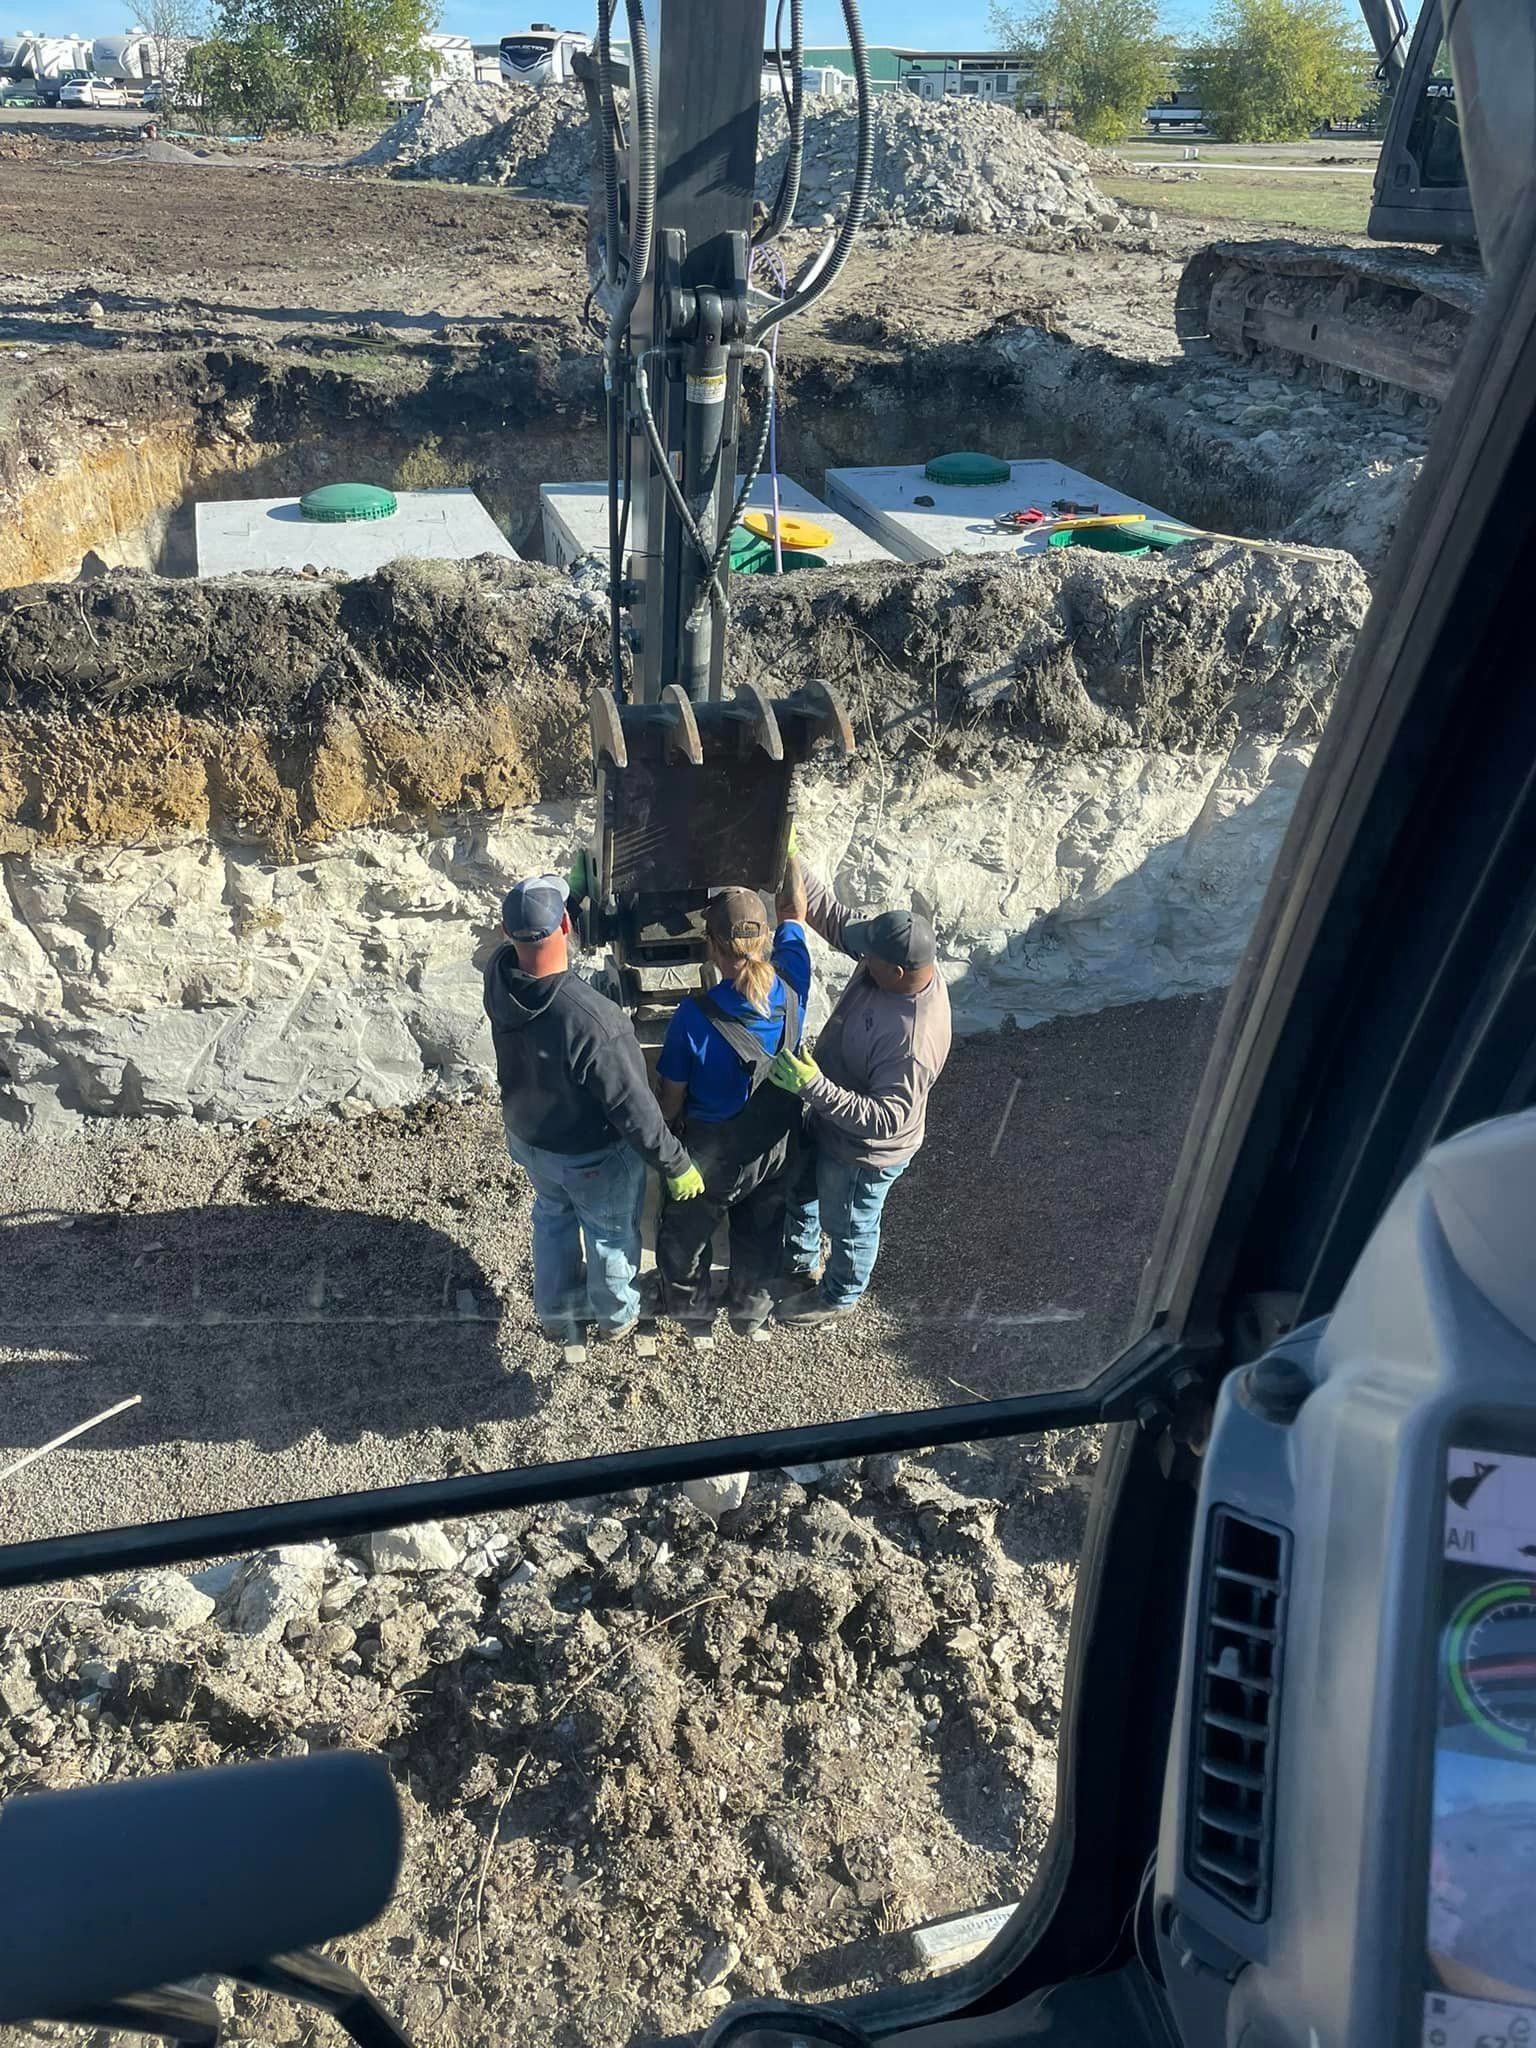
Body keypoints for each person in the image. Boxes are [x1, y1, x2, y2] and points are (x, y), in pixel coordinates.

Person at [484, 872, 704, 1344]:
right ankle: (617, 1317)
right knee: (608, 1235)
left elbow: (530, 949)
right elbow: (634, 1108)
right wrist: (675, 1163)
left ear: (507, 933)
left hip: (530, 1141)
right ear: (567, 922)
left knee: (551, 1216)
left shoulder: (498, 976)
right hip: (589, 1157)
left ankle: (557, 1312)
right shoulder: (593, 1021)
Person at [769, 855, 951, 1324]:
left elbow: (887, 1118)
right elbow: (833, 918)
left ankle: (838, 1294)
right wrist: (790, 858)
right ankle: (797, 1263)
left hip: (863, 1153)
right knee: (801, 1188)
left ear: (895, 971)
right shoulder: (892, 963)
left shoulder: (911, 1041)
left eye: (868, 955)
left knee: (849, 1225)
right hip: (830, 1115)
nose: (859, 956)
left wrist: (813, 1087)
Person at [654, 886, 813, 1337]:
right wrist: (790, 851)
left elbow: (672, 1098)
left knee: (687, 1235)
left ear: (712, 945)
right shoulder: (795, 985)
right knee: (762, 1230)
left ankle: (693, 1315)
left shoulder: (693, 1016)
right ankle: (750, 1315)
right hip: (777, 1144)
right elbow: (795, 916)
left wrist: (663, 1132)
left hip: (713, 1154)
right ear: (765, 939)